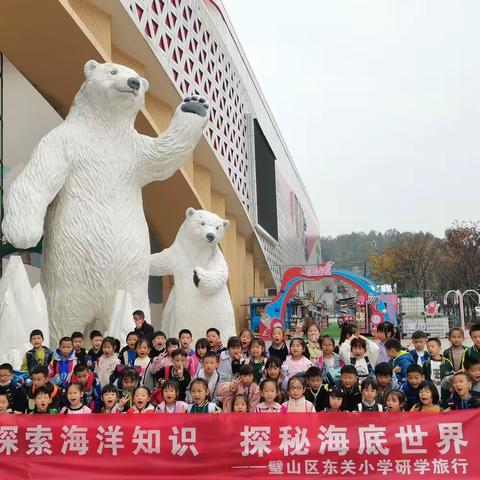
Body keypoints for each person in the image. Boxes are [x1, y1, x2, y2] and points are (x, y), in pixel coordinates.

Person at [422, 337, 453, 402]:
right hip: (431, 393)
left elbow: (451, 377)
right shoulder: (426, 363)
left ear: (439, 348)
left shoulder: (447, 363)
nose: (430, 348)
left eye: (432, 346)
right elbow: (423, 378)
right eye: (428, 347)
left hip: (445, 393)